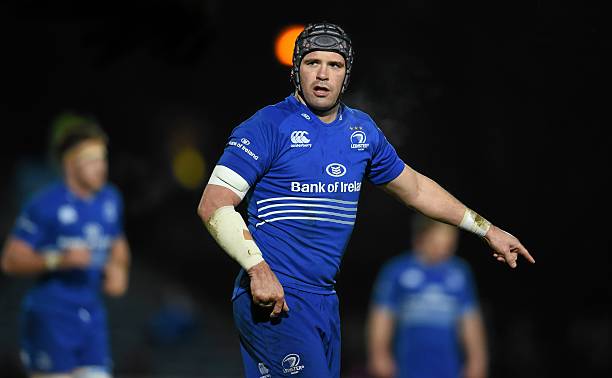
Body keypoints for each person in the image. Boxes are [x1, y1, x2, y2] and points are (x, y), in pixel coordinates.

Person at [197, 22, 534, 378]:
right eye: (313, 63)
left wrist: (486, 229)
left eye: (335, 65)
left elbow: (416, 189)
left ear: (347, 74)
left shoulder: (362, 131)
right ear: (296, 70)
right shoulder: (267, 126)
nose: (323, 75)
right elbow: (214, 203)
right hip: (275, 297)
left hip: (323, 302)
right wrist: (257, 270)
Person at [1, 113, 131, 378]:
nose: (102, 167)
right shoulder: (44, 204)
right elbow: (10, 260)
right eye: (92, 160)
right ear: (71, 163)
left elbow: (117, 242)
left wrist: (119, 268)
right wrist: (58, 259)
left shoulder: (110, 198)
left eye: (103, 158)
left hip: (92, 314)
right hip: (51, 314)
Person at [367, 214, 488, 378]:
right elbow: (382, 316)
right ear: (422, 237)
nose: (446, 249)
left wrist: (477, 360)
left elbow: (470, 321)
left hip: (448, 367)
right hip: (407, 365)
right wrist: (379, 354)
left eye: (451, 243)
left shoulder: (460, 272)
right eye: (439, 242)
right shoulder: (396, 270)